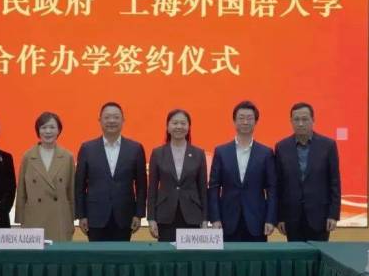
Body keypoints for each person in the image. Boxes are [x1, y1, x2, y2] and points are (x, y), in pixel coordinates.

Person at [75, 102, 147, 241]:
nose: (111, 121)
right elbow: (80, 186)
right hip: (95, 217)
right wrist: (81, 215)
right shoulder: (87, 148)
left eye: (116, 117)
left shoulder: (135, 148)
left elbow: (141, 186)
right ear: (100, 120)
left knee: (121, 254)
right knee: (96, 254)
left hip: (125, 217)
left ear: (123, 120)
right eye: (107, 117)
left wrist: (138, 214)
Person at [207, 101, 277, 242]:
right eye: (241, 118)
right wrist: (215, 218)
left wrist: (270, 219)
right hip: (227, 221)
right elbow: (214, 187)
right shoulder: (221, 152)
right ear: (234, 121)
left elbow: (272, 189)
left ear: (256, 122)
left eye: (249, 118)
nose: (245, 122)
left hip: (257, 221)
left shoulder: (266, 153)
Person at [275, 102, 341, 241]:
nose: (300, 123)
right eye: (296, 119)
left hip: (320, 217)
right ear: (291, 121)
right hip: (292, 218)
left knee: (318, 253)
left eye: (305, 119)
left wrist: (333, 215)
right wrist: (280, 217)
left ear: (313, 120)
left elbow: (334, 183)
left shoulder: (328, 146)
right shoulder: (281, 147)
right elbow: (279, 185)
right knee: (295, 254)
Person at [147, 109, 208, 242]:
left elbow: (203, 189)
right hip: (165, 215)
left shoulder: (198, 153)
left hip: (192, 215)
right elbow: (152, 188)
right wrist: (151, 218)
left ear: (188, 127)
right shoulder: (158, 153)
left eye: (183, 123)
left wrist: (205, 219)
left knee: (190, 254)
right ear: (168, 127)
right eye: (175, 123)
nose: (179, 126)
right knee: (166, 253)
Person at [15, 112, 75, 241]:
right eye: (44, 127)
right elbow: (21, 192)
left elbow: (72, 191)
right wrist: (20, 219)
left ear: (59, 130)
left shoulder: (67, 157)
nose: (48, 131)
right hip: (34, 218)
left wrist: (73, 219)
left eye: (52, 127)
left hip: (59, 218)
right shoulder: (28, 156)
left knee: (59, 253)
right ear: (38, 130)